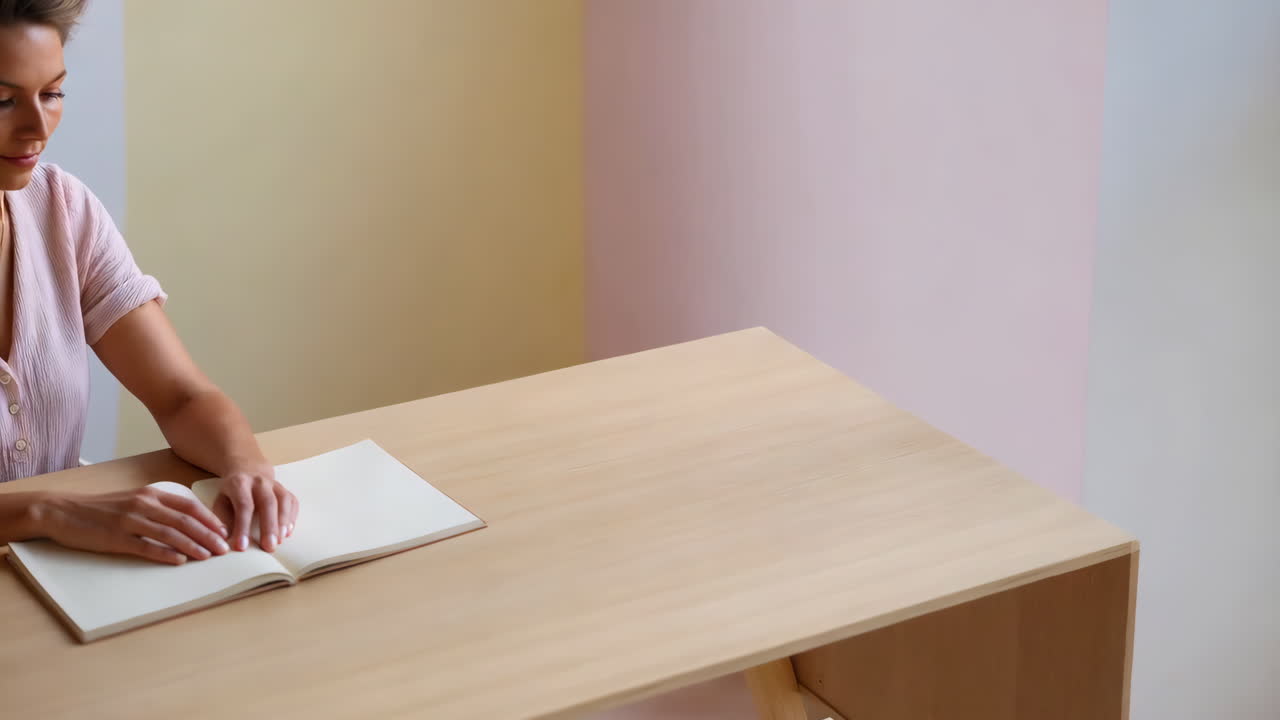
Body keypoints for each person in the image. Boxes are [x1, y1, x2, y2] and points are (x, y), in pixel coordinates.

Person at [0, 1, 297, 564]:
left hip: (66, 568)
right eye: (3, 99)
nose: (37, 128)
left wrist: (246, 466)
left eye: (53, 93)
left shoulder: (63, 209)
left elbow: (181, 397)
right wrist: (48, 512)